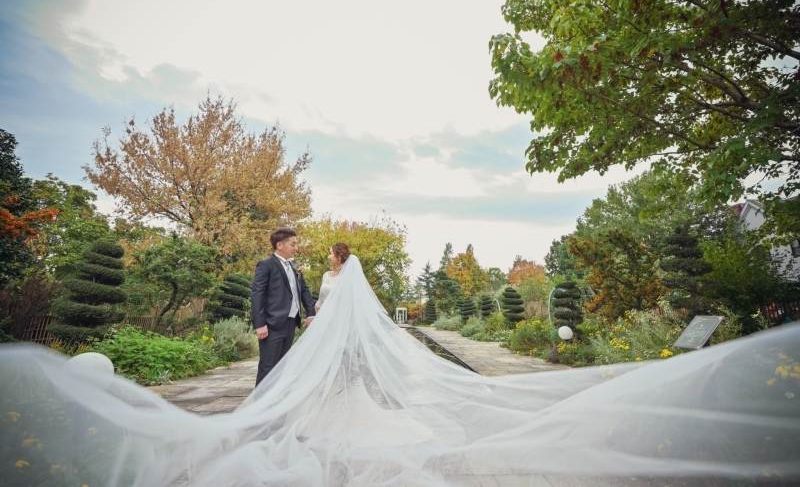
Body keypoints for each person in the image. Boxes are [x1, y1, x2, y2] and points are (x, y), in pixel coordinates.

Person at [1, 251, 799, 486]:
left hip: (305, 332)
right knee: (280, 380)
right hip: (286, 330)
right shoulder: (297, 272)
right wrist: (277, 315)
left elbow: (322, 303)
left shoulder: (329, 281)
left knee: (311, 387)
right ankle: (282, 408)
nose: (308, 259)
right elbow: (294, 299)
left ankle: (293, 414)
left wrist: (310, 311)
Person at [250, 227, 315, 387]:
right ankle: (260, 409)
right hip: (272, 324)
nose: (296, 248)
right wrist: (259, 324)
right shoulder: (266, 265)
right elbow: (257, 294)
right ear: (280, 245)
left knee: (281, 368)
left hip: (291, 323)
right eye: (293, 244)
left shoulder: (295, 265)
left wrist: (310, 313)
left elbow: (304, 290)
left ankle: (275, 405)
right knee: (268, 367)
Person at [313, 242, 349, 316]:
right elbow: (320, 300)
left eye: (330, 253)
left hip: (339, 317)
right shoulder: (326, 275)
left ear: (339, 256)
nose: (328, 257)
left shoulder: (347, 277)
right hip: (323, 315)